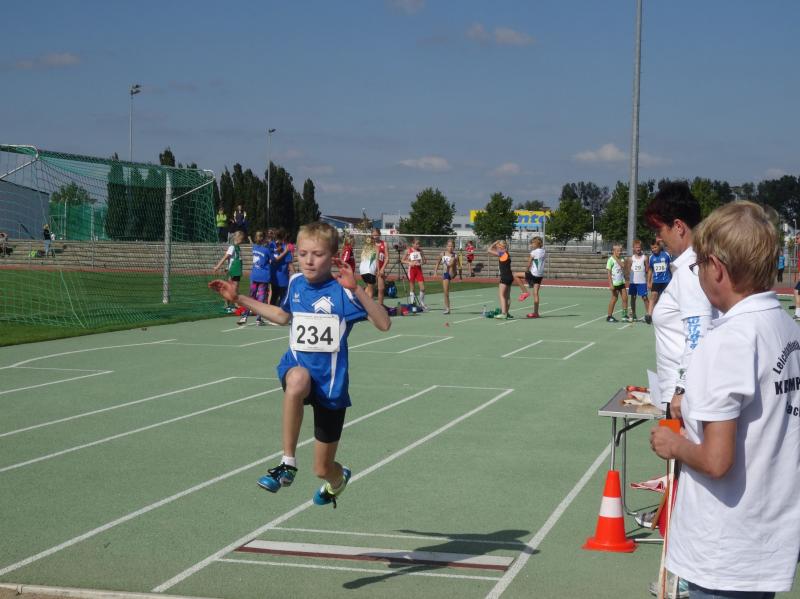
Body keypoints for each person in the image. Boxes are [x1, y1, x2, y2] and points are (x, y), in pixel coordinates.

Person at [650, 201, 800, 598]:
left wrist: (673, 444)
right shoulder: (787, 327)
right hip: (768, 535)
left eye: (698, 266)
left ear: (716, 268)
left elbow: (717, 461)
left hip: (724, 548)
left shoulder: (728, 340)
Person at [208, 222, 391, 508]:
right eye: (303, 253)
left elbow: (384, 323)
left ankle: (338, 480)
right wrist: (240, 298)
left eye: (317, 254)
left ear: (333, 257)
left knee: (322, 468)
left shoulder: (343, 293)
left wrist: (357, 289)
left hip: (331, 385)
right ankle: (287, 463)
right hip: (298, 368)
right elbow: (282, 317)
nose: (309, 260)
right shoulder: (295, 283)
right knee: (297, 379)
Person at [487, 240, 528, 319]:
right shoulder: (507, 253)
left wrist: (494, 243)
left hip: (505, 277)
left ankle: (503, 313)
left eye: (498, 247)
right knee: (507, 296)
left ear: (500, 247)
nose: (496, 248)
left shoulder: (502, 253)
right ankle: (507, 312)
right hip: (510, 276)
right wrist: (498, 245)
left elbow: (489, 250)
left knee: (502, 295)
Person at [238, 231, 271, 326]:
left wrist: (250, 239)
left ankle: (245, 316)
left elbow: (253, 244)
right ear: (264, 238)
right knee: (261, 297)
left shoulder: (254, 248)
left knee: (251, 296)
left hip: (255, 275)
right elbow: (273, 259)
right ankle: (258, 319)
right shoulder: (267, 250)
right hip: (263, 276)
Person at [213, 230, 244, 313]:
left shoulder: (238, 247)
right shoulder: (232, 247)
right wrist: (217, 266)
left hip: (237, 270)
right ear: (237, 238)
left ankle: (230, 305)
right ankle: (232, 305)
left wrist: (227, 267)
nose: (242, 240)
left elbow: (232, 259)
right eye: (241, 239)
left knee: (233, 288)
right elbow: (225, 257)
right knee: (233, 288)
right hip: (234, 271)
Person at [515, 236, 545, 319]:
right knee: (535, 293)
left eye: (532, 243)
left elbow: (529, 262)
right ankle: (536, 313)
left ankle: (525, 292)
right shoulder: (543, 251)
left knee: (516, 275)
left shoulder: (534, 252)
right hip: (540, 275)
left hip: (534, 273)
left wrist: (526, 270)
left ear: (536, 244)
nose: (531, 245)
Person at [647, 240, 672, 323]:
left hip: (666, 281)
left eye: (655, 247)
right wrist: (649, 282)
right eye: (652, 248)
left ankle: (668, 316)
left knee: (666, 298)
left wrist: (673, 278)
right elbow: (650, 270)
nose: (654, 249)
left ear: (659, 247)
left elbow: (671, 267)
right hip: (656, 281)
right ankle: (649, 315)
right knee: (653, 296)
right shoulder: (651, 257)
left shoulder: (666, 255)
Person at [626, 239, 650, 322]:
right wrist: (629, 279)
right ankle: (634, 314)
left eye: (639, 247)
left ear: (641, 248)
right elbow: (628, 269)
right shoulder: (631, 259)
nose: (638, 249)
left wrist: (648, 279)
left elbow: (647, 269)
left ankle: (648, 314)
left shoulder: (645, 258)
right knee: (633, 297)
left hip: (642, 282)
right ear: (633, 248)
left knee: (644, 297)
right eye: (636, 247)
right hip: (633, 282)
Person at [433, 239, 458, 314]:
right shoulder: (442, 254)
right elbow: (437, 263)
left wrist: (457, 273)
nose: (450, 248)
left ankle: (449, 266)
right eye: (449, 246)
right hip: (445, 273)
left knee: (452, 260)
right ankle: (447, 308)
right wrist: (435, 272)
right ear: (446, 246)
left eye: (452, 246)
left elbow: (457, 266)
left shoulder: (455, 255)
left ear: (454, 247)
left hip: (452, 273)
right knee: (446, 292)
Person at [605, 244, 629, 322]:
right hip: (615, 283)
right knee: (614, 299)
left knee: (625, 298)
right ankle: (609, 316)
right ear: (614, 251)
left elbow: (622, 265)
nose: (620, 252)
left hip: (621, 282)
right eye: (618, 251)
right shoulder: (610, 260)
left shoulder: (621, 259)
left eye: (620, 251)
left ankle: (624, 316)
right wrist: (611, 284)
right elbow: (609, 273)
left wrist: (615, 257)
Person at [402, 238, 427, 309]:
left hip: (419, 270)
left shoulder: (420, 251)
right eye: (416, 244)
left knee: (422, 288)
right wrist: (409, 262)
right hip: (412, 270)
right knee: (412, 288)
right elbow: (402, 260)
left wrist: (420, 263)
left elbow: (425, 261)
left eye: (419, 244)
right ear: (412, 244)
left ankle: (422, 303)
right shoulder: (408, 251)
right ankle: (413, 304)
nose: (418, 245)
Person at [269, 230, 292, 307]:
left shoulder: (274, 246)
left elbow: (289, 263)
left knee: (277, 297)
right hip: (278, 278)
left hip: (280, 278)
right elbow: (275, 260)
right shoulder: (272, 246)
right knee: (278, 298)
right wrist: (284, 252)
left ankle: (274, 311)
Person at [358, 234, 378, 299]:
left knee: (368, 287)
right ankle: (369, 304)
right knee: (371, 290)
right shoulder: (375, 248)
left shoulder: (364, 249)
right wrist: (378, 270)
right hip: (369, 271)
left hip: (362, 271)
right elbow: (377, 260)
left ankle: (363, 302)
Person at [372, 229, 388, 306]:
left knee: (381, 289)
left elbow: (387, 258)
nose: (375, 236)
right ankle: (370, 307)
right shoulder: (370, 244)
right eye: (373, 235)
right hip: (372, 268)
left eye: (376, 235)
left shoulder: (384, 244)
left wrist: (382, 269)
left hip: (381, 269)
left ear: (379, 235)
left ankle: (380, 306)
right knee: (371, 288)